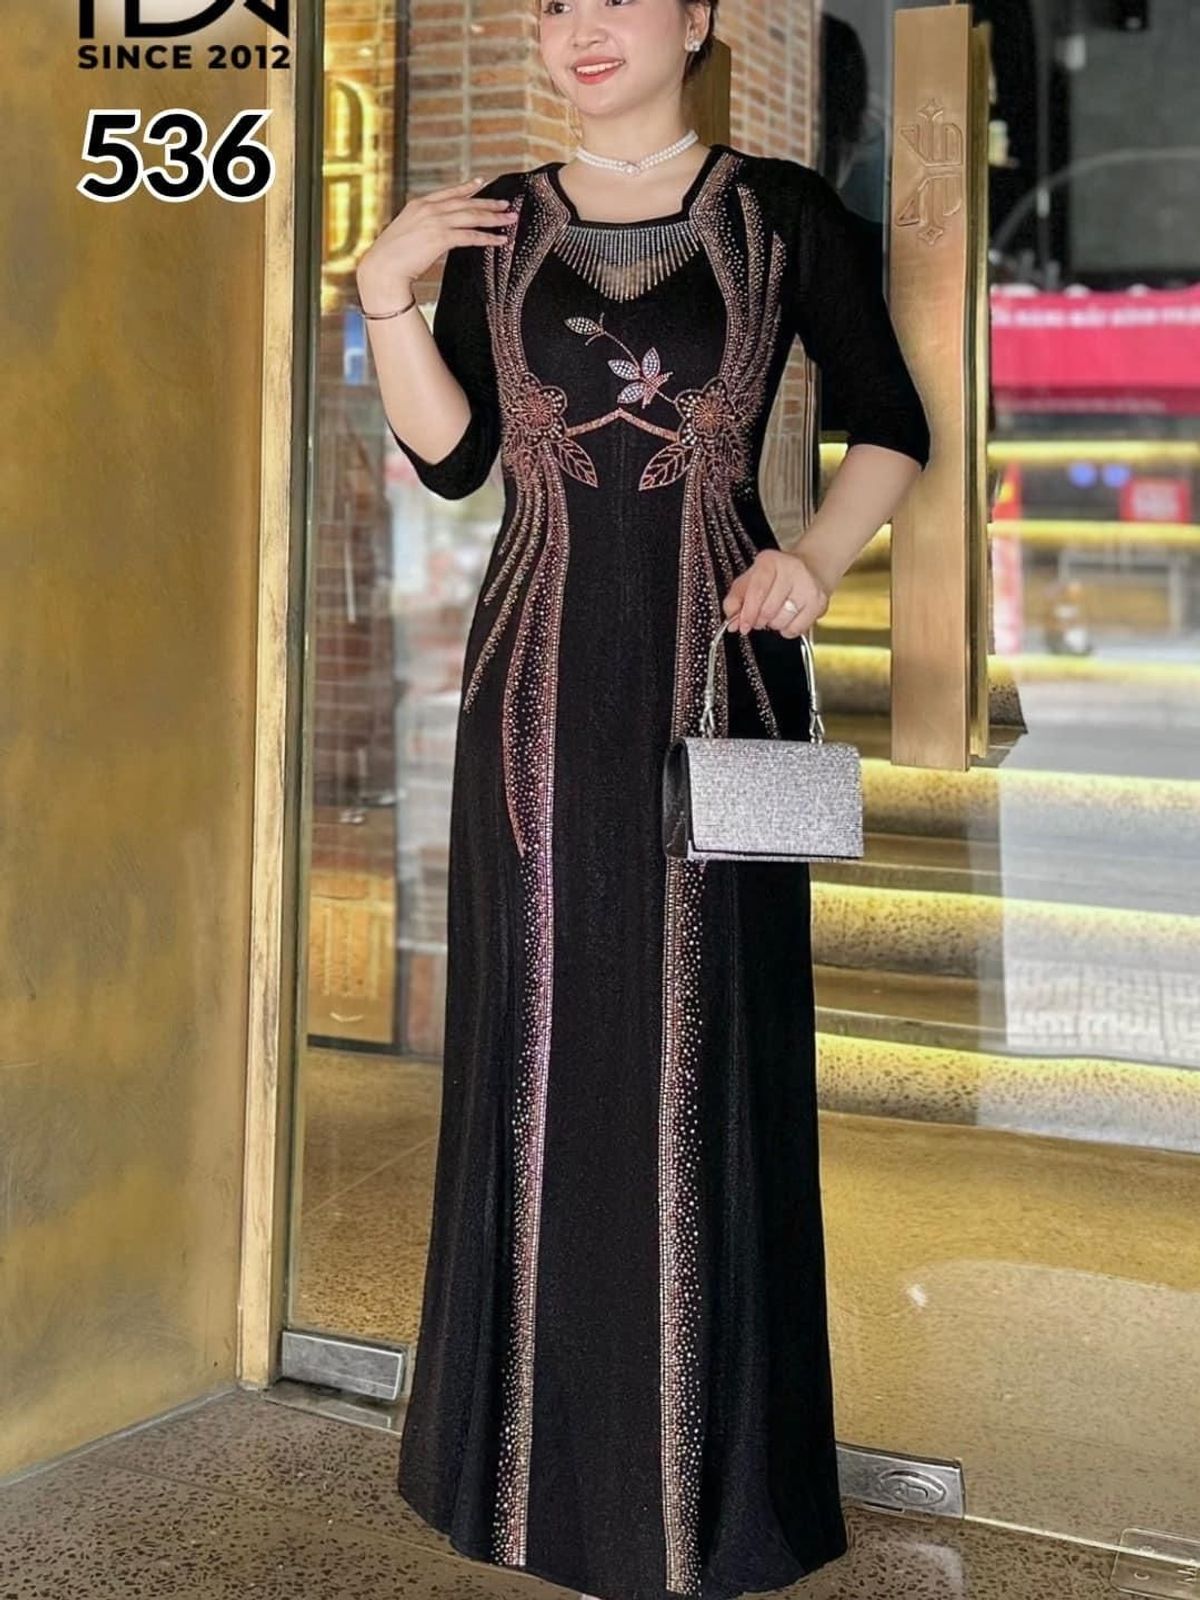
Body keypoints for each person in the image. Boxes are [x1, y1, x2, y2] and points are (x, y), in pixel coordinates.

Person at [355, 2, 931, 1597]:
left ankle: (711, 1497)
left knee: (705, 1055)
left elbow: (893, 423)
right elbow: (459, 462)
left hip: (719, 676)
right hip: (532, 695)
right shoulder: (497, 223)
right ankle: (523, 1484)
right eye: (552, 5)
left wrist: (815, 561)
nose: (579, 28)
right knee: (543, 1043)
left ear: (695, 19)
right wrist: (384, 293)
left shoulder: (781, 214)